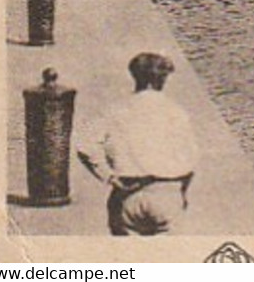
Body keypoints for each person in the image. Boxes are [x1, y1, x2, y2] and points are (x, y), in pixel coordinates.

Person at [76, 52, 199, 236]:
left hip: (128, 194)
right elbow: (191, 159)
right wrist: (183, 192)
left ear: (135, 76)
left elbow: (85, 145)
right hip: (166, 193)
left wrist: (108, 176)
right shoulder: (176, 113)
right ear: (163, 79)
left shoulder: (115, 110)